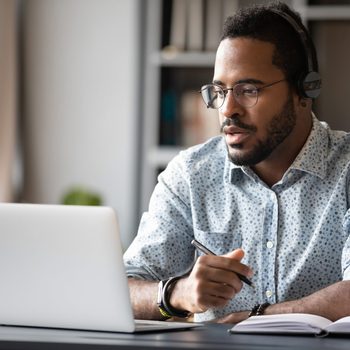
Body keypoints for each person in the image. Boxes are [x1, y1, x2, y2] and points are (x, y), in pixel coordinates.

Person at [123, 1, 350, 323]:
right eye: (219, 90)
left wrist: (258, 316)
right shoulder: (190, 175)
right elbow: (123, 289)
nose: (228, 109)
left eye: (248, 90)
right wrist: (177, 293)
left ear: (304, 90)